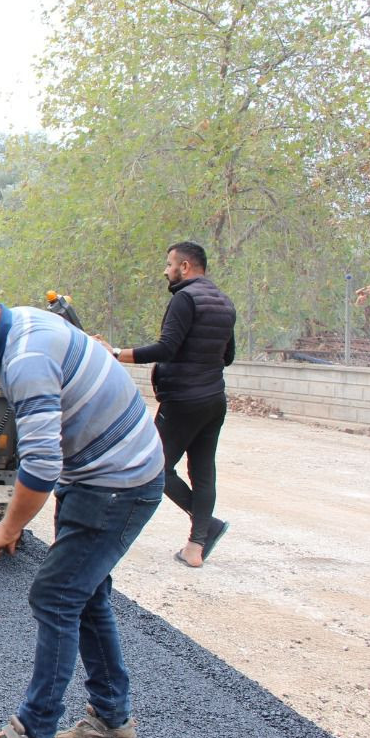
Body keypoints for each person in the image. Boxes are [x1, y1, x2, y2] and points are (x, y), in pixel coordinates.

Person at [0, 270, 164, 738]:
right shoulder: (19, 333)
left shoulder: (27, 356)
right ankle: (113, 723)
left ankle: (32, 737)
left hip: (119, 483)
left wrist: (9, 527)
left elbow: (41, 464)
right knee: (85, 592)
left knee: (56, 594)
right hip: (101, 475)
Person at [98, 242, 236, 569]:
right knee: (203, 470)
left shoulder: (184, 299)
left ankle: (202, 528)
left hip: (183, 400)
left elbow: (166, 348)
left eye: (169, 264)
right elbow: (227, 357)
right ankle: (197, 545)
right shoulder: (224, 302)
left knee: (153, 465)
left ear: (185, 267)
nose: (165, 270)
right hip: (214, 400)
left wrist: (115, 353)